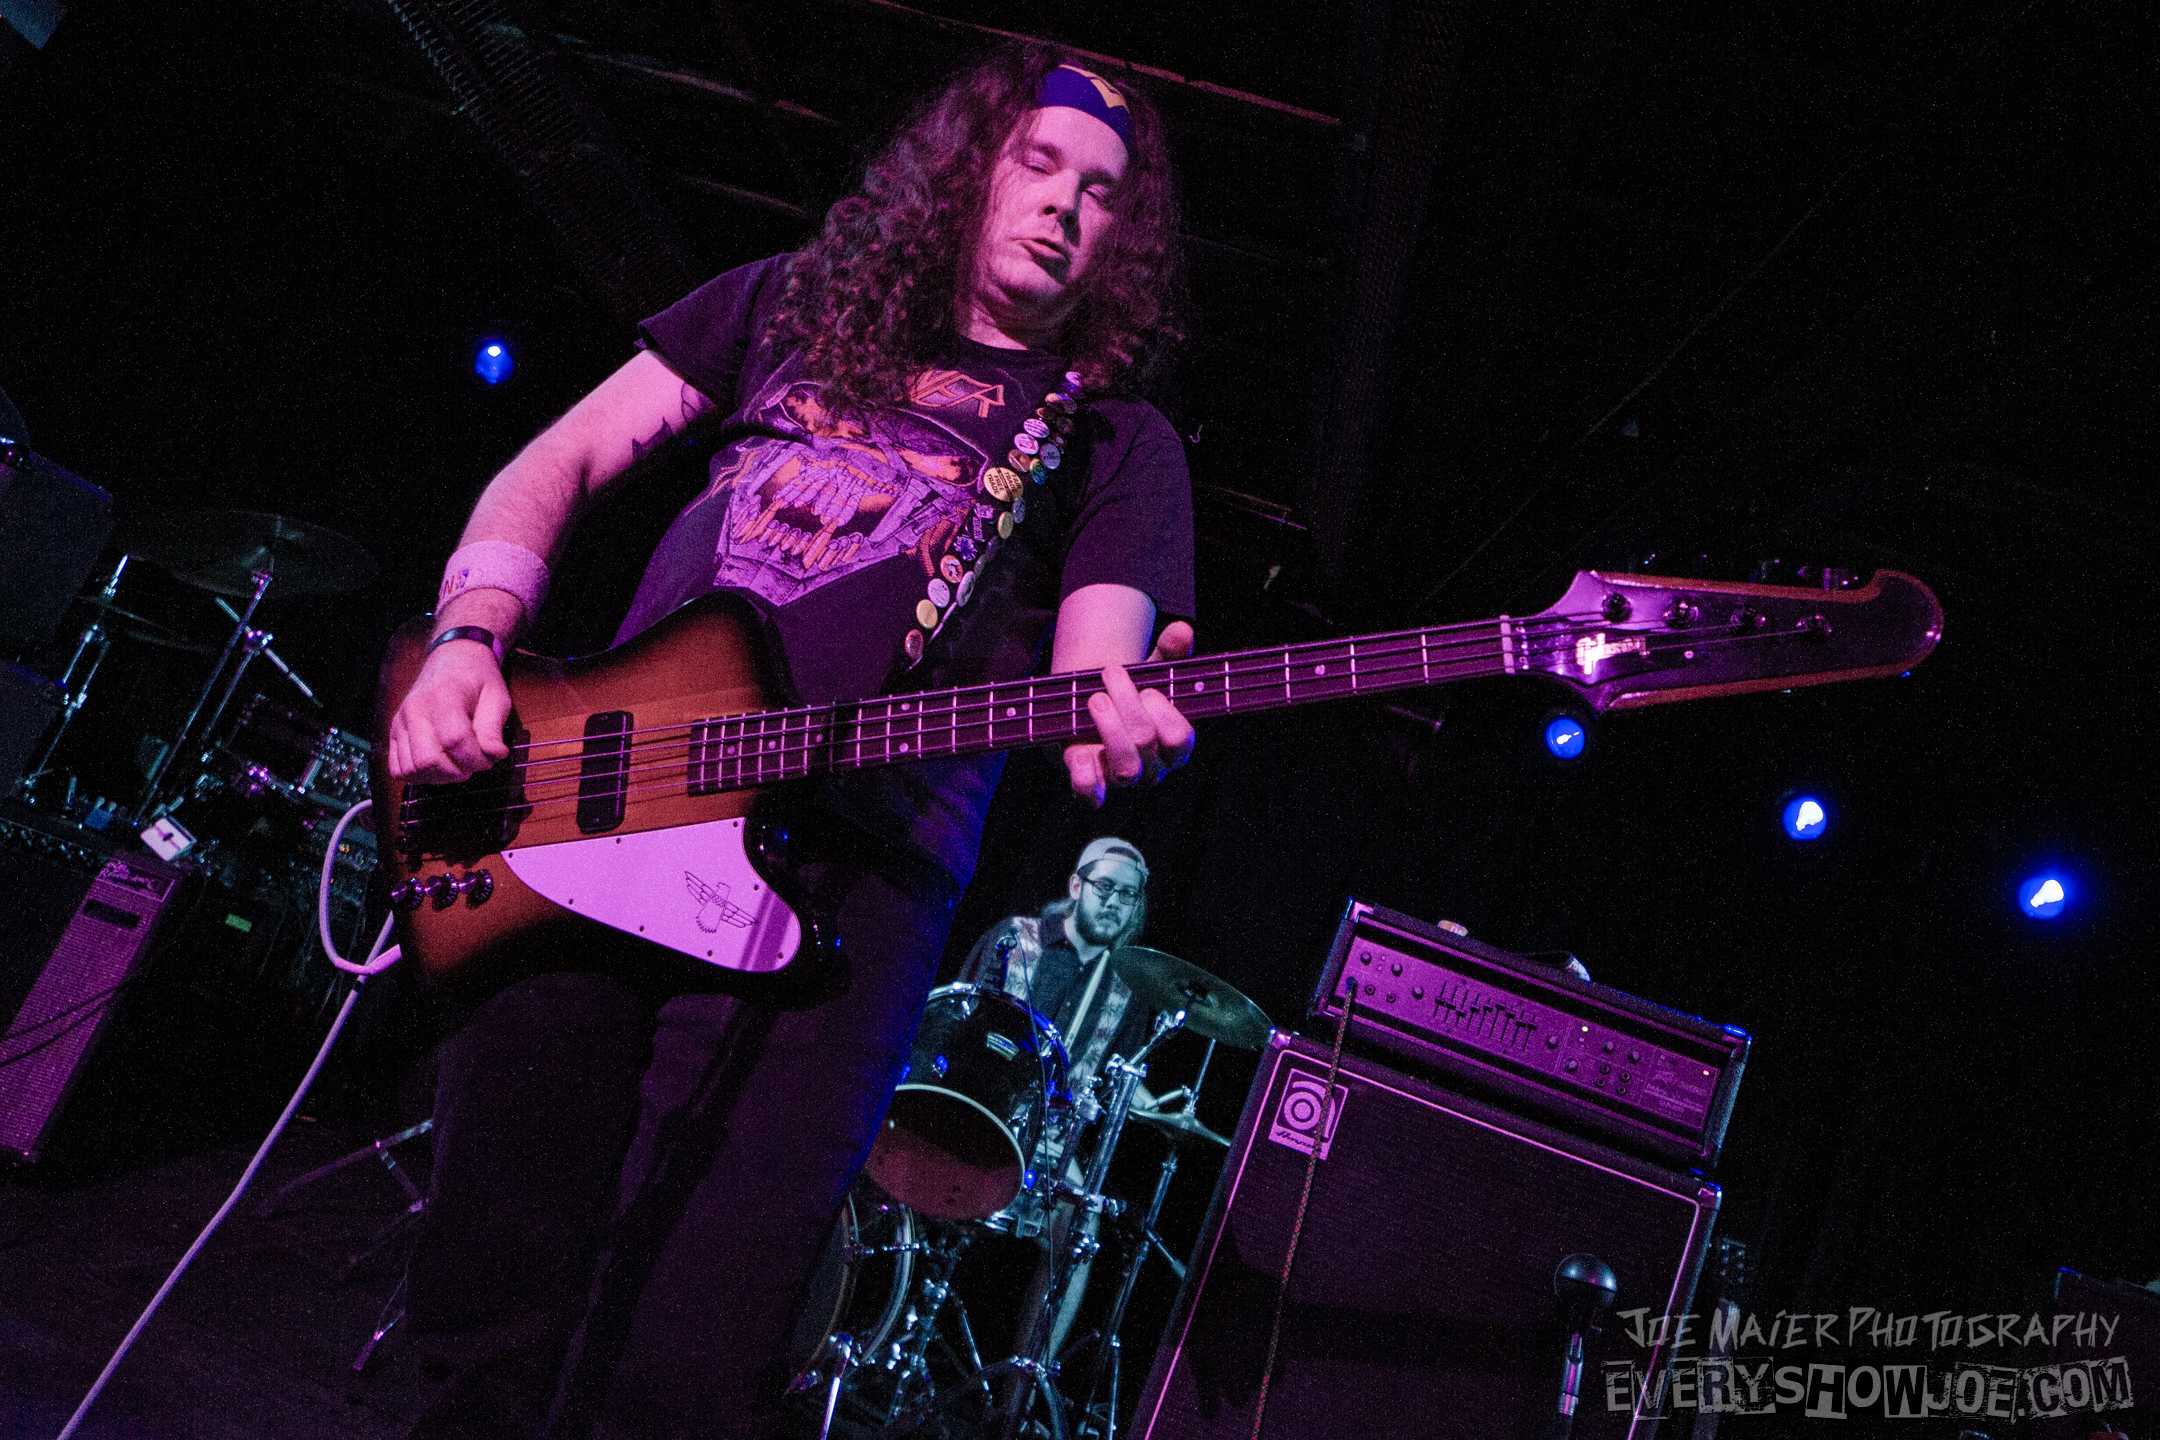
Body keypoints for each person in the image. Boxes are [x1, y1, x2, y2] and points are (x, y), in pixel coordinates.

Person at [383, 46, 1197, 1439]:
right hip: (596, 811)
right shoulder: (790, 305)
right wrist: (468, 636)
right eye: (1040, 164)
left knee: (691, 1344)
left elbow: (1095, 671)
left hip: (851, 893)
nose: (1067, 206)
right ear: (971, 171)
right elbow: (558, 458)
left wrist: (1120, 720)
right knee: (493, 1277)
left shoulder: (1114, 439)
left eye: (1105, 193)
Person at [956, 835, 1168, 1368]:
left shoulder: (1128, 984)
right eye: (1105, 887)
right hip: (981, 1110)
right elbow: (956, 1019)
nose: (1115, 902)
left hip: (1050, 1141)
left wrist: (1166, 1113)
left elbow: (1118, 1074)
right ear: (1077, 885)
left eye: (1128, 895)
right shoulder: (1016, 937)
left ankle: (1020, 1392)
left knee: (1079, 1232)